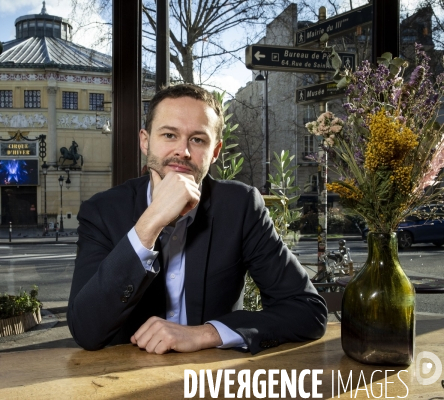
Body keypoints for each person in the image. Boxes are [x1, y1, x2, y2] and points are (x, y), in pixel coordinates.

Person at [68, 84, 328, 355]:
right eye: (169, 135)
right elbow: (86, 330)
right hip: (120, 380)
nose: (183, 151)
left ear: (215, 152)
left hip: (208, 380)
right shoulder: (102, 211)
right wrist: (152, 220)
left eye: (198, 140)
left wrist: (208, 333)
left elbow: (308, 311)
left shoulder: (240, 206)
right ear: (145, 141)